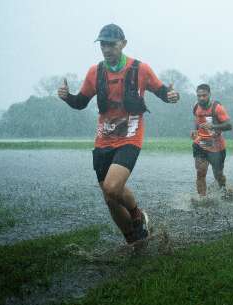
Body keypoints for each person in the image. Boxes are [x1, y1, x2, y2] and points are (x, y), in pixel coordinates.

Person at [57, 24, 180, 245]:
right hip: (103, 138)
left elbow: (163, 92)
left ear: (123, 44)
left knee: (112, 187)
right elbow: (80, 103)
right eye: (103, 44)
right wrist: (67, 97)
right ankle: (134, 240)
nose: (106, 49)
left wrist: (171, 95)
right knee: (109, 198)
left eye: (111, 44)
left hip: (130, 137)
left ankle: (137, 215)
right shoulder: (95, 72)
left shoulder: (140, 69)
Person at [191, 84, 233, 200]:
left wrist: (213, 126)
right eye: (199, 96)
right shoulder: (196, 106)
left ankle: (224, 189)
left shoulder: (217, 108)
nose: (201, 98)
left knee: (218, 175)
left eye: (204, 95)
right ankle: (202, 199)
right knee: (200, 171)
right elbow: (197, 120)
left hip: (216, 147)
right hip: (201, 144)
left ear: (209, 94)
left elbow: (229, 125)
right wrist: (195, 131)